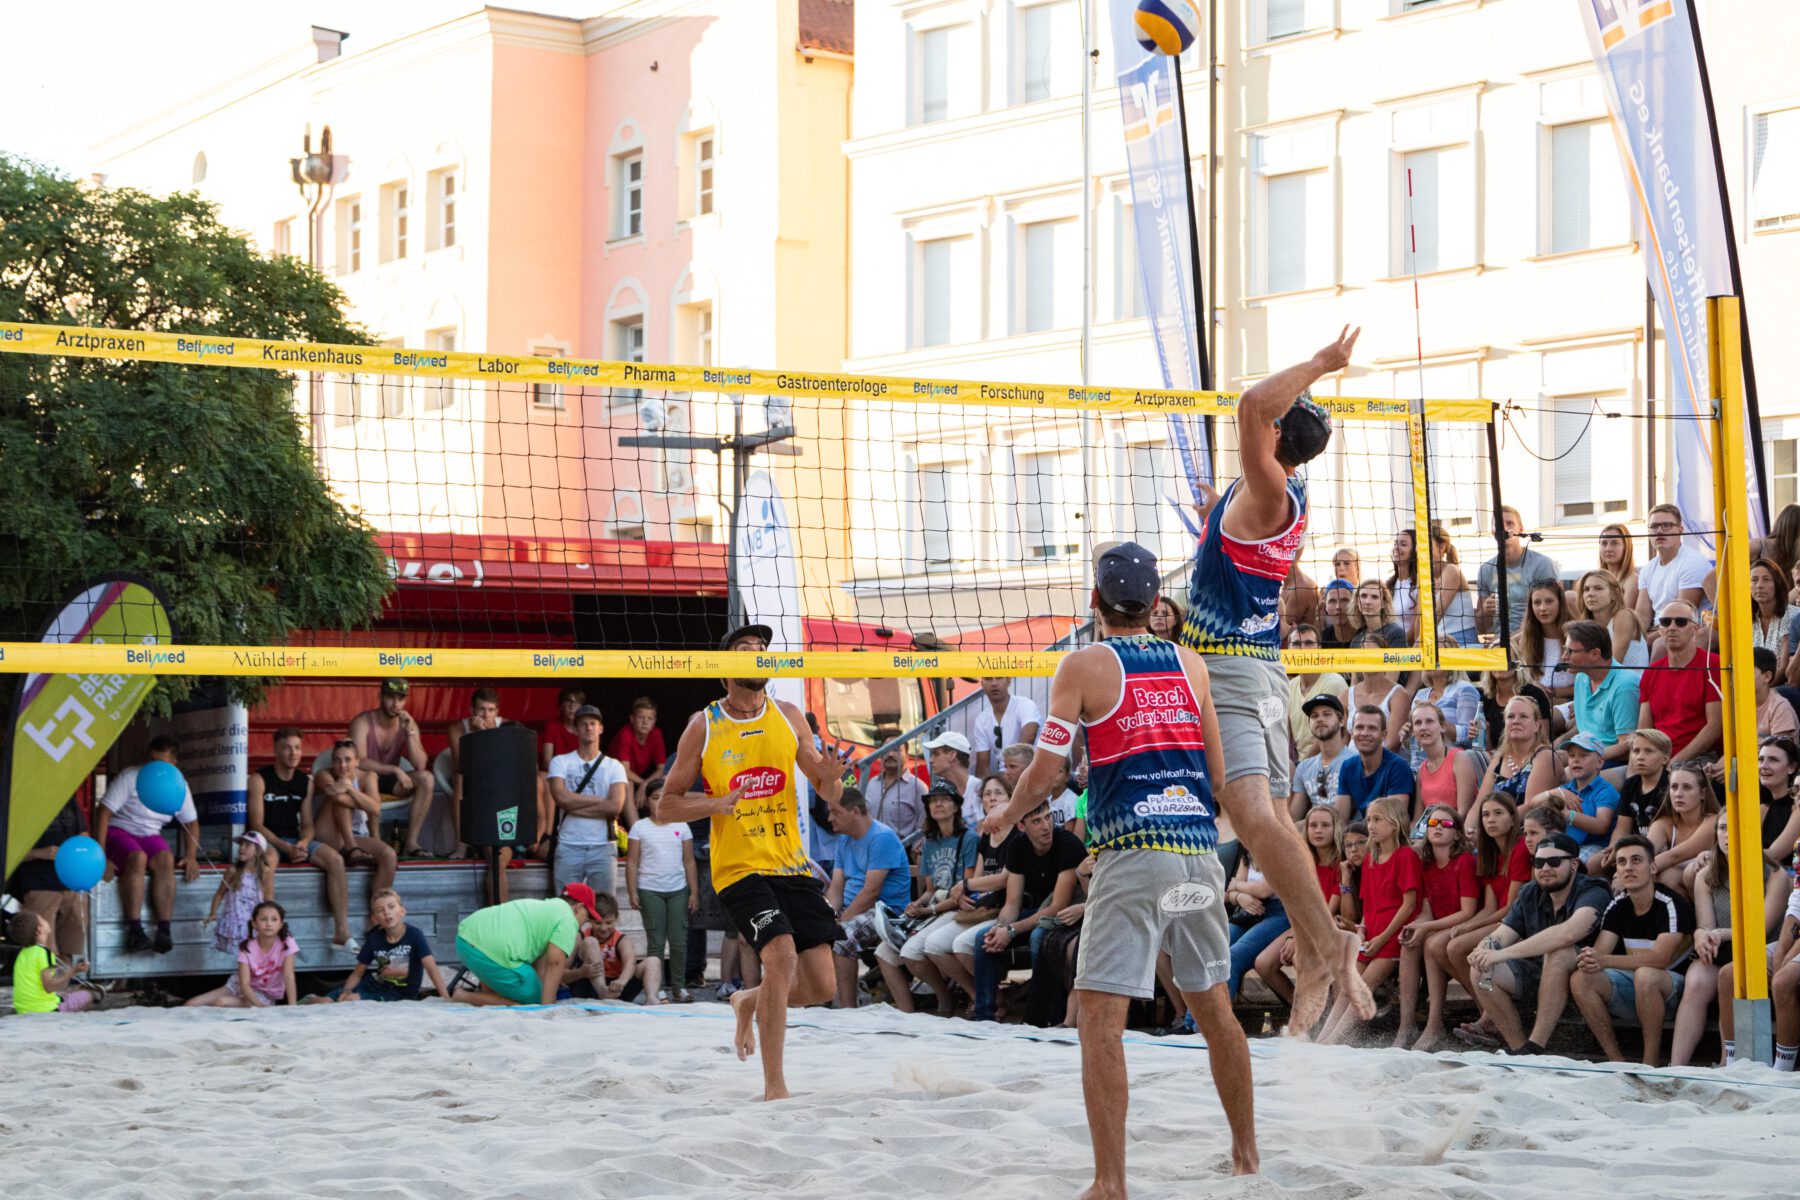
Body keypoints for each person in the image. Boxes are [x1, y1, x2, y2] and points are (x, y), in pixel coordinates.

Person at [980, 540, 1256, 1182]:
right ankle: (1246, 1156)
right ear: (1156, 601)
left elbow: (1045, 772)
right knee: (1216, 1012)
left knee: (1100, 1023)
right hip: (1198, 856)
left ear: (1095, 601)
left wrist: (1007, 814)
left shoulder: (1081, 666)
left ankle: (1110, 1184)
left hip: (1135, 856)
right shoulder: (1192, 665)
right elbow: (1218, 776)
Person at [655, 621, 848, 1101]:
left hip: (791, 864)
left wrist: (831, 778)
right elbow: (665, 806)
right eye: (746, 649)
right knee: (780, 955)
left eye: (763, 649)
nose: (759, 655)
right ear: (726, 668)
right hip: (738, 869)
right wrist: (714, 804)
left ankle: (747, 1001)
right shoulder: (704, 725)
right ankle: (774, 1086)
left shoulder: (789, 716)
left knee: (822, 985)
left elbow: (828, 791)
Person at [1465, 831, 1612, 1055]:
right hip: (1538, 975)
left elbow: (1567, 934)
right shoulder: (1530, 891)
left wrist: (1502, 954)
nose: (1545, 868)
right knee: (1482, 971)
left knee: (1558, 953)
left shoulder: (1594, 889)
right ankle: (1519, 1049)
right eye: (1538, 862)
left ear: (1574, 864)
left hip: (1586, 978)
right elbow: (1502, 935)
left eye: (1554, 861)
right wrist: (1486, 947)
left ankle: (1536, 1044)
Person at [1670, 810, 1790, 1066]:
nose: (1728, 835)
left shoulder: (1774, 874)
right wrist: (1701, 935)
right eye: (1723, 828)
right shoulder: (1706, 875)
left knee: (1730, 974)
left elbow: (1760, 930)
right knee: (1697, 981)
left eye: (1735, 828)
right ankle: (1676, 1066)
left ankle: (1728, 1061)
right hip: (1723, 947)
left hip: (1763, 948)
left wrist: (1718, 934)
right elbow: (1706, 925)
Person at [1570, 835, 1695, 1068]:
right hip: (1638, 988)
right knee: (1581, 979)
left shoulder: (1670, 903)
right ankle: (1616, 1061)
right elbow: (1599, 955)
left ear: (1653, 867)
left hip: (1678, 993)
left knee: (1646, 975)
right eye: (1622, 862)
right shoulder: (1618, 905)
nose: (1628, 867)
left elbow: (1660, 959)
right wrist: (1591, 959)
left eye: (1636, 860)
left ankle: (1650, 1063)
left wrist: (1603, 960)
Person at [1320, 795, 1421, 1044]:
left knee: (1362, 986)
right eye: (1369, 820)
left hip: (1393, 936)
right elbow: (1369, 904)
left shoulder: (1405, 856)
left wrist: (1383, 938)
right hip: (1371, 934)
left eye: (1377, 820)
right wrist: (1362, 930)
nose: (1371, 826)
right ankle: (1323, 1040)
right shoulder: (1370, 860)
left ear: (1395, 824)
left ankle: (1332, 1042)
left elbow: (1409, 905)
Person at [247, 727, 354, 951]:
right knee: (268, 862)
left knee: (335, 860)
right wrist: (285, 846)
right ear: (276, 750)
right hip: (267, 839)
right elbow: (256, 824)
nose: (293, 753)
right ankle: (268, 934)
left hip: (293, 839)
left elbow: (307, 825)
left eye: (297, 748)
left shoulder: (305, 782)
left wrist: (303, 843)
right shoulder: (259, 779)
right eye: (287, 748)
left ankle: (341, 932)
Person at [875, 781, 977, 1014]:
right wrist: (917, 904)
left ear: (956, 806)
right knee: (883, 951)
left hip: (957, 908)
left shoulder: (969, 838)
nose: (937, 804)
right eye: (933, 800)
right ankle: (909, 1011)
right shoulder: (930, 843)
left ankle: (957, 996)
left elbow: (966, 888)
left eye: (944, 799)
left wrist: (929, 910)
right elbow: (931, 890)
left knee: (912, 951)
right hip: (935, 908)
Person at [94, 736, 200, 954]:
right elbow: (103, 813)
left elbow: (191, 822)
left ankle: (164, 929)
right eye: (152, 760)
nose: (155, 766)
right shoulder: (131, 776)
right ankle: (134, 930)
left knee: (166, 859)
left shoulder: (178, 784)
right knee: (138, 858)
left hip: (150, 834)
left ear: (173, 763)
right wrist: (100, 856)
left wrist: (191, 855)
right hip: (119, 830)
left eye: (162, 761)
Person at [1441, 794, 1530, 1041]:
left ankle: (1490, 1016)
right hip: (1498, 919)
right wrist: (1467, 925)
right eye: (1486, 815)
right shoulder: (1489, 853)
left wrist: (1471, 927)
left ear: (1513, 818)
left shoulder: (1520, 849)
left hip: (1515, 923)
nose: (1491, 820)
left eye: (1498, 813)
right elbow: (1490, 907)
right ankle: (1488, 1011)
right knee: (1448, 946)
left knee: (1457, 947)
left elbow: (1511, 908)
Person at [1395, 803, 1476, 1050]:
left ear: (1457, 833)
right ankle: (1406, 1026)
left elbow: (1467, 912)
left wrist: (1427, 927)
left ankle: (1434, 1025)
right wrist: (1417, 925)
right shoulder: (1426, 864)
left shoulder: (1464, 861)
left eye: (1446, 823)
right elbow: (1427, 910)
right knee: (1409, 944)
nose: (1438, 827)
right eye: (1432, 823)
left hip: (1466, 926)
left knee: (1431, 942)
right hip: (1439, 925)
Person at [824, 788, 912, 1008]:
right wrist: (827, 916)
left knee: (842, 938)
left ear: (855, 812)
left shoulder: (881, 837)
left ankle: (847, 1007)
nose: (829, 818)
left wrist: (841, 921)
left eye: (835, 812)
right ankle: (820, 998)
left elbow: (871, 892)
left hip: (885, 911)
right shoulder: (844, 840)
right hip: (854, 909)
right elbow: (836, 889)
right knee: (811, 931)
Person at [1251, 807, 1343, 1012]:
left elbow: (1328, 911)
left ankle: (1325, 1015)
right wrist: (1295, 935)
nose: (1318, 830)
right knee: (1264, 964)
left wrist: (1297, 938)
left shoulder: (1340, 863)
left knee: (1302, 958)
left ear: (1335, 829)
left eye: (1325, 825)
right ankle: (1305, 1012)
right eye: (1313, 825)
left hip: (1332, 926)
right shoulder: (1302, 862)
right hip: (1303, 926)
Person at [453, 885, 601, 1007]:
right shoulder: (568, 918)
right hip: (488, 951)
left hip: (465, 938)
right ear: (578, 907)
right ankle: (464, 996)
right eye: (587, 917)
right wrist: (547, 1005)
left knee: (520, 982)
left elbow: (542, 968)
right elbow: (555, 963)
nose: (585, 922)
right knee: (534, 1000)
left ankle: (488, 995)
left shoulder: (546, 908)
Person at [547, 704, 629, 898]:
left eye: (593, 723)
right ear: (575, 729)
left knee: (603, 908)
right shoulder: (560, 761)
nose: (589, 727)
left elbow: (615, 806)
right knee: (565, 905)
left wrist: (573, 805)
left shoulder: (614, 766)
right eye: (583, 724)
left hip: (603, 846)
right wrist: (600, 801)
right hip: (568, 844)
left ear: (601, 728)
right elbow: (561, 798)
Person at [347, 679, 435, 859]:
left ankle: (411, 843)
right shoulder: (362, 722)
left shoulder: (408, 723)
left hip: (389, 781)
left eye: (400, 699)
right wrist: (395, 770)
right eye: (390, 697)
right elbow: (359, 761)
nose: (395, 704)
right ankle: (375, 841)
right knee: (370, 777)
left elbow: (420, 765)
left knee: (427, 779)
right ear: (380, 697)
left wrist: (409, 733)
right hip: (362, 779)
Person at [627, 781, 698, 1004]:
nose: (660, 803)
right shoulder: (640, 827)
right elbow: (632, 862)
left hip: (678, 890)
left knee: (679, 940)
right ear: (647, 801)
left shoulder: (682, 826)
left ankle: (679, 987)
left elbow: (689, 861)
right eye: (655, 798)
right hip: (650, 890)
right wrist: (632, 891)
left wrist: (694, 892)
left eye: (665, 798)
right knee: (656, 941)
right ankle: (656, 989)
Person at [327, 888, 450, 1002]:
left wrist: (446, 998)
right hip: (374, 985)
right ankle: (317, 998)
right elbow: (358, 973)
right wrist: (346, 991)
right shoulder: (374, 938)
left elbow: (431, 968)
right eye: (380, 910)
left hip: (399, 995)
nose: (386, 912)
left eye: (391, 907)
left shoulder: (415, 935)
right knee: (328, 1000)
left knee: (351, 999)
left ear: (402, 911)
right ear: (374, 919)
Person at [1638, 600, 1722, 763]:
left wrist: (1674, 762)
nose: (1672, 627)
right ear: (1660, 630)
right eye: (1665, 622)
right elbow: (1644, 730)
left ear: (1696, 628)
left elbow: (1715, 726)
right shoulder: (1651, 671)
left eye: (1681, 622)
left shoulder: (1712, 664)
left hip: (1700, 758)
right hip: (1656, 759)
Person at [312, 739, 398, 896]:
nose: (342, 765)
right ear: (332, 762)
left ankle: (379, 904)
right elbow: (336, 795)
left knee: (389, 855)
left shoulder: (368, 776)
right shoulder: (323, 774)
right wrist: (349, 788)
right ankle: (351, 848)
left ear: (357, 762)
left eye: (348, 760)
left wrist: (350, 789)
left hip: (358, 835)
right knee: (341, 796)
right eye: (337, 760)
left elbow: (375, 809)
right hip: (328, 834)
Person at [5, 800, 89, 959]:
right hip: (40, 883)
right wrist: (39, 853)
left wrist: (80, 851)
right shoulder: (22, 802)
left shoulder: (68, 800)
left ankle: (64, 976)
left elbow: (83, 835)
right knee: (42, 951)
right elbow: (7, 850)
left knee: (69, 950)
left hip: (73, 882)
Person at [186, 900, 299, 1009]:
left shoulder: (287, 943)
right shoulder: (246, 947)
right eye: (263, 919)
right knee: (190, 1004)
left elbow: (288, 976)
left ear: (280, 925)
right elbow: (244, 984)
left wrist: (292, 1007)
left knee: (221, 1002)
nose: (269, 924)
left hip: (263, 994)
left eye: (274, 919)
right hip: (237, 986)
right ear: (254, 923)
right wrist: (259, 1007)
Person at [1634, 505, 1714, 653]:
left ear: (1680, 530)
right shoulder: (1647, 569)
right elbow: (1642, 617)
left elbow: (1681, 616)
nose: (1659, 531)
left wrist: (1644, 642)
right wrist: (1634, 640)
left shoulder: (1693, 562)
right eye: (1654, 526)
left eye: (1666, 525)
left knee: (1659, 646)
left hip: (1687, 629)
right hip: (1658, 629)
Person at [1562, 620, 1639, 768]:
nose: (1564, 656)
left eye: (1570, 651)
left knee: (1560, 770)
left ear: (1595, 654)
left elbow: (1627, 745)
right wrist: (1557, 744)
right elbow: (1586, 727)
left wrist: (1583, 758)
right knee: (1549, 760)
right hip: (1586, 754)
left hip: (1613, 761)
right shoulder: (1581, 677)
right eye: (1565, 649)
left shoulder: (1625, 685)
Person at [1477, 506, 1561, 640]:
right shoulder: (1486, 569)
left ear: (1520, 529)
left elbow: (1552, 614)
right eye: (1498, 524)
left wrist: (1510, 641)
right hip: (1499, 641)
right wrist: (1485, 611)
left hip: (1534, 638)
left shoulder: (1542, 564)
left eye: (1510, 523)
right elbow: (1482, 628)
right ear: (1493, 531)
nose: (1504, 528)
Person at [1599, 728, 1672, 874]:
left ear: (1665, 758)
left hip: (1664, 848)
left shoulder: (1671, 785)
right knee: (1597, 862)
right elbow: (1622, 827)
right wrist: (1614, 847)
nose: (1640, 757)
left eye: (1648, 751)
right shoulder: (1630, 784)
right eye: (1636, 751)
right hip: (1636, 846)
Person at [1542, 733, 1619, 863]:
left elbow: (1601, 826)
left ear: (1600, 762)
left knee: (1568, 864)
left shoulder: (1605, 791)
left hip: (1595, 845)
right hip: (1567, 844)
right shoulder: (1565, 789)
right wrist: (1557, 791)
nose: (1576, 760)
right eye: (1572, 756)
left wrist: (1568, 815)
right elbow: (1534, 802)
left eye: (1583, 755)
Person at [1475, 696, 1560, 812]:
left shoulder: (1544, 756)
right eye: (1510, 716)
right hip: (1493, 821)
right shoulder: (1500, 756)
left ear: (1537, 725)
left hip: (1524, 822)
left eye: (1523, 716)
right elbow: (1478, 805)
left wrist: (1500, 821)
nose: (1516, 721)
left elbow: (1529, 808)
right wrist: (1470, 824)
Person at [1645, 762, 1717, 894]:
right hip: (1683, 895)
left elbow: (1675, 856)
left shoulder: (1713, 821)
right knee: (1658, 874)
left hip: (1713, 894)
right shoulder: (1663, 824)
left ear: (1703, 793)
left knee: (1669, 876)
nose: (1678, 794)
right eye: (1674, 787)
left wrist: (1635, 873)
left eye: (1687, 787)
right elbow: (1644, 853)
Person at [1335, 705, 1413, 823]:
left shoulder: (1398, 767)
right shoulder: (1347, 767)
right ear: (1352, 732)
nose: (1364, 733)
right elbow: (1340, 821)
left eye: (1372, 728)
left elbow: (1392, 822)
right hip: (1364, 829)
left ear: (1383, 735)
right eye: (1359, 727)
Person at [9, 910, 95, 1014]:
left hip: (22, 1009)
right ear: (40, 929)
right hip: (45, 1010)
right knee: (88, 995)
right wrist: (73, 971)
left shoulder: (22, 954)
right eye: (42, 919)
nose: (45, 920)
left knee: (65, 995)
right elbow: (49, 987)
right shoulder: (44, 953)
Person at [1285, 625, 1347, 761]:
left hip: (1331, 761)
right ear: (1288, 649)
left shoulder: (1334, 682)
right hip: (1301, 763)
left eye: (1308, 643)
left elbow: (1335, 732)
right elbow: (1286, 735)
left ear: (1319, 648)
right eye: (1296, 644)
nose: (1302, 649)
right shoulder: (1289, 686)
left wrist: (1302, 766)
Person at [205, 832, 273, 955]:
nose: (242, 848)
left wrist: (270, 919)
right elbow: (220, 893)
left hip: (254, 923)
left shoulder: (264, 872)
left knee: (253, 956)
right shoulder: (233, 870)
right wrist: (213, 913)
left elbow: (268, 895)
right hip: (235, 922)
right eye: (241, 844)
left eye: (247, 845)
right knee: (243, 957)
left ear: (258, 851)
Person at [1411, 698, 1478, 822]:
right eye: (1418, 723)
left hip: (1455, 828)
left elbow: (1464, 812)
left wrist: (1440, 827)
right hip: (1430, 830)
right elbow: (1418, 819)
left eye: (1429, 721)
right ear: (1413, 732)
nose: (1423, 727)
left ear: (1443, 727)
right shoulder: (1421, 770)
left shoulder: (1459, 758)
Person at [1289, 693, 1353, 820]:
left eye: (1327, 714)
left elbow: (1344, 820)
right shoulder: (1304, 767)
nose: (1319, 719)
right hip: (1313, 828)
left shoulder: (1355, 762)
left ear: (1341, 721)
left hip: (1346, 829)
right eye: (1314, 716)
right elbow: (1294, 816)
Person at [1571, 569, 1649, 670]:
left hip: (1629, 679)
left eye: (1598, 588)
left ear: (1614, 594)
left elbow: (1613, 663)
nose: (1590, 594)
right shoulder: (1586, 624)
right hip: (1599, 678)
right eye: (1586, 589)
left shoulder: (1624, 616)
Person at [610, 696, 668, 828]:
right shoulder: (625, 734)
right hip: (615, 775)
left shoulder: (656, 734)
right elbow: (624, 770)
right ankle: (636, 830)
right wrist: (643, 784)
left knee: (664, 780)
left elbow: (661, 768)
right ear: (632, 719)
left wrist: (646, 784)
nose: (645, 722)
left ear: (655, 721)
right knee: (628, 783)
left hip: (639, 776)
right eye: (641, 717)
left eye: (650, 718)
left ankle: (663, 827)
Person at [1516, 582, 1575, 704]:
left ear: (1560, 603)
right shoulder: (1527, 639)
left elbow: (1590, 681)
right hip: (1536, 700)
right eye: (1537, 603)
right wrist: (1534, 686)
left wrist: (1554, 693)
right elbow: (1523, 677)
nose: (1542, 608)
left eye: (1549, 601)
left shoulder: (1576, 636)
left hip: (1572, 700)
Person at [972, 677, 1042, 779]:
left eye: (999, 678)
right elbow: (982, 767)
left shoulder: (1025, 705)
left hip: (1034, 770)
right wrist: (983, 787)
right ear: (982, 684)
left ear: (1008, 681)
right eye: (988, 679)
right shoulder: (981, 719)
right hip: (1006, 776)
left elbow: (1028, 740)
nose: (994, 683)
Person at [1347, 636, 1409, 738]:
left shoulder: (1398, 695)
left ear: (1386, 658)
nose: (1369, 658)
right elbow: (1340, 742)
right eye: (1364, 654)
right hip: (1352, 749)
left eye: (1375, 654)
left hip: (1383, 748)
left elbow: (1392, 743)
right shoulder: (1347, 695)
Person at [1429, 522, 1478, 648]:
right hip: (1440, 643)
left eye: (1427, 547)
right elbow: (1419, 624)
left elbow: (1437, 612)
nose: (1420, 552)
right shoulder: (1425, 579)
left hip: (1462, 642)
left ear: (1441, 548)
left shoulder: (1451, 570)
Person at [864, 744, 926, 841]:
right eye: (886, 749)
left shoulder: (918, 787)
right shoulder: (872, 783)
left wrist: (916, 847)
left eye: (896, 750)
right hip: (868, 846)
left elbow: (922, 826)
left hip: (901, 847)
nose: (890, 754)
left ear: (907, 755)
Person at [1750, 559, 1799, 680]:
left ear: (1778, 584)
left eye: (1766, 579)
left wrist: (1758, 690)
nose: (1759, 585)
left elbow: (1782, 669)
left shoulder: (1792, 615)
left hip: (1781, 686)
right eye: (1754, 580)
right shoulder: (1746, 620)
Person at [923, 730, 982, 828]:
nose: (931, 760)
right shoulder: (938, 790)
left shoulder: (979, 788)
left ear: (952, 755)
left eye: (936, 754)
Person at [1413, 669, 1482, 750]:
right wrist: (1406, 732)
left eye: (1436, 661)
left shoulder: (1464, 689)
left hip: (1453, 755)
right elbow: (1413, 739)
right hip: (1420, 756)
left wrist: (1435, 716)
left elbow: (1470, 737)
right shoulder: (1420, 694)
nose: (1430, 663)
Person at [1594, 521, 1641, 616]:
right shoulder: (1594, 580)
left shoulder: (1632, 581)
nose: (1608, 549)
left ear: (1626, 547)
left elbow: (1624, 617)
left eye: (1615, 543)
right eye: (1604, 543)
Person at [1387, 530, 1422, 645]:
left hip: (1407, 647)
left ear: (1414, 551)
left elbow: (1414, 630)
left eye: (1403, 544)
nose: (1396, 548)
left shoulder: (1420, 585)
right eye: (1395, 543)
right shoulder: (1388, 584)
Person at [540, 686, 586, 770]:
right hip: (557, 771)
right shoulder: (552, 725)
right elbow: (547, 762)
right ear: (561, 706)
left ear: (581, 707)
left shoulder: (587, 727)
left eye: (577, 702)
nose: (572, 706)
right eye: (568, 701)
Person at [1349, 580, 1406, 648]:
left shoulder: (1395, 633)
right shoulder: (1356, 640)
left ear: (1384, 603)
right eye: (1363, 596)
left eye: (1374, 597)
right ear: (1357, 601)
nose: (1368, 602)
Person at [1318, 579, 1359, 648]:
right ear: (1325, 607)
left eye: (1344, 600)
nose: (1338, 607)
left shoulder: (1366, 637)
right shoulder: (1323, 639)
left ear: (1354, 604)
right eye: (1332, 601)